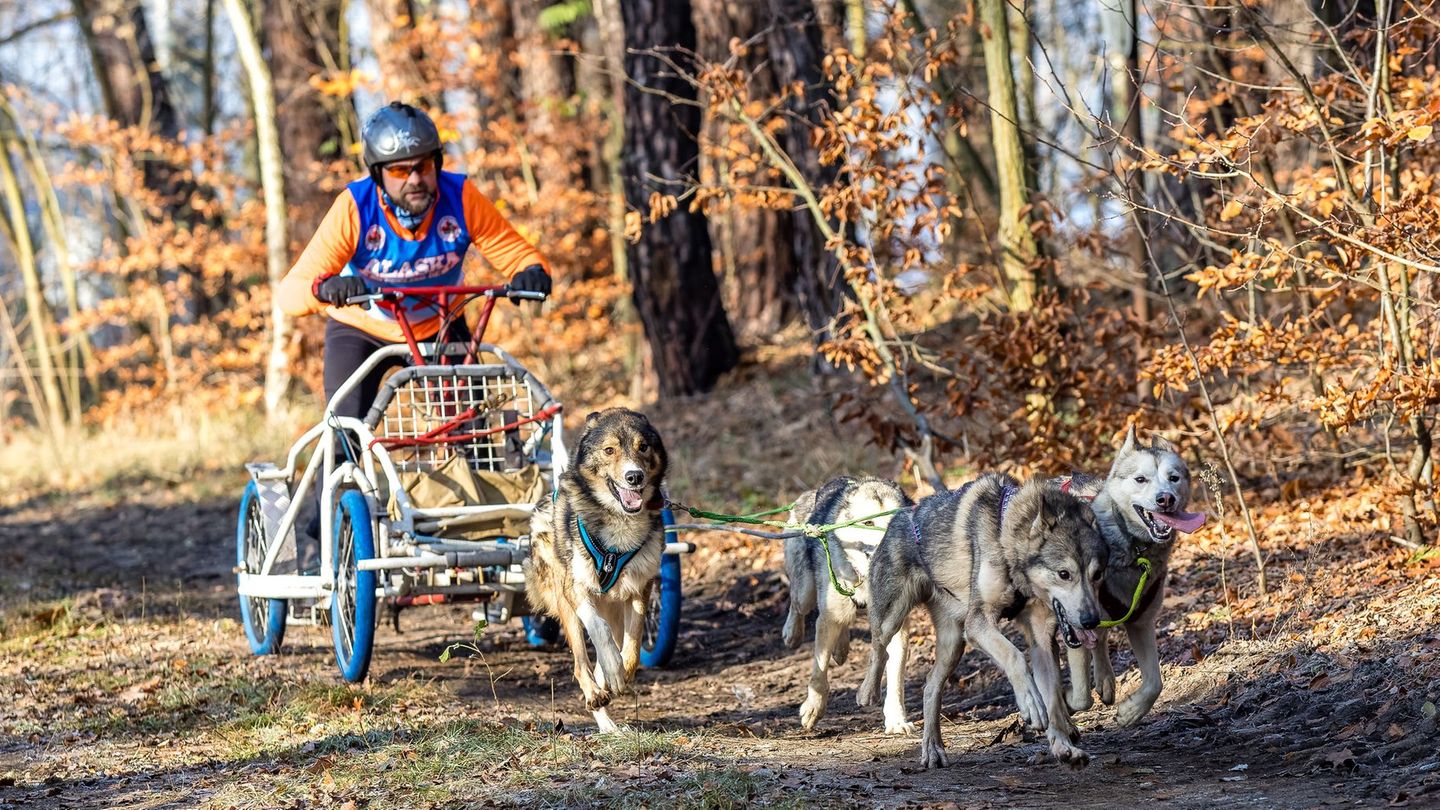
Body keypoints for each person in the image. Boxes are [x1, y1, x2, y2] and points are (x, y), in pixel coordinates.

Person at [276, 101, 551, 540]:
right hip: (361, 326)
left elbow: (516, 252)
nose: (416, 180)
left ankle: (485, 525)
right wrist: (324, 288)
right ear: (379, 175)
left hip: (439, 324)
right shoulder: (355, 207)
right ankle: (333, 522)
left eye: (422, 167)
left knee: (468, 426)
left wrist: (530, 272)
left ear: (436, 164)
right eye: (400, 171)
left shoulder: (460, 196)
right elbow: (290, 292)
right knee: (346, 423)